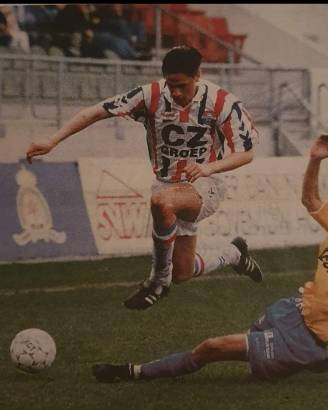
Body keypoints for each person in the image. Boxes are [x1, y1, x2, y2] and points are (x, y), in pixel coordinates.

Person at [26, 46, 263, 311]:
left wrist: (210, 168)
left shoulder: (222, 103)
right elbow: (97, 111)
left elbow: (246, 154)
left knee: (162, 203)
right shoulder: (150, 95)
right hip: (167, 183)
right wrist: (52, 140)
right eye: (170, 84)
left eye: (182, 85)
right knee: (183, 272)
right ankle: (234, 254)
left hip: (205, 186)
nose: (175, 92)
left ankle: (158, 281)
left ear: (198, 75)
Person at [91, 134, 328, 383]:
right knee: (250, 351)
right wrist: (314, 159)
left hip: (307, 338)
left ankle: (131, 372)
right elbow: (310, 200)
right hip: (294, 311)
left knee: (212, 348)